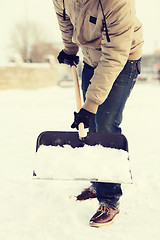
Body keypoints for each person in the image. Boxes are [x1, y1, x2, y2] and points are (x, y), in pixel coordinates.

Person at [52, 0, 143, 227]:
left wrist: (90, 105)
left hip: (122, 59)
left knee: (105, 124)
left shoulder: (118, 3)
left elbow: (114, 57)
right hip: (92, 59)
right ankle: (99, 181)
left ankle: (109, 200)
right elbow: (66, 21)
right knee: (92, 127)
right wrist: (70, 49)